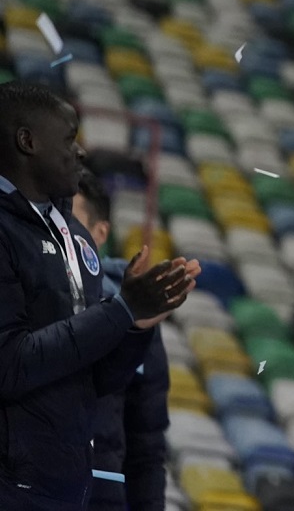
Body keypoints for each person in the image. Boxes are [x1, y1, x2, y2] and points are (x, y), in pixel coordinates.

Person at [0, 81, 197, 510]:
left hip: (69, 491)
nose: (81, 152)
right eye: (69, 138)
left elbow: (94, 381)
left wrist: (136, 327)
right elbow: (9, 363)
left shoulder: (76, 239)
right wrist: (121, 310)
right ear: (27, 141)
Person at [73, 169, 171, 511]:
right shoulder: (21, 289)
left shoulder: (137, 312)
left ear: (100, 232)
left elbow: (147, 443)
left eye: (71, 222)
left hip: (102, 494)